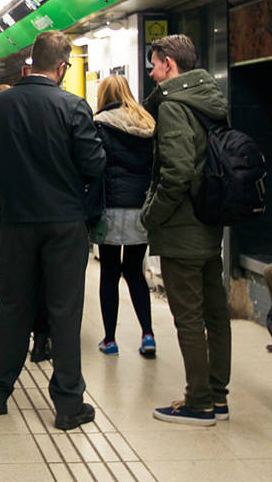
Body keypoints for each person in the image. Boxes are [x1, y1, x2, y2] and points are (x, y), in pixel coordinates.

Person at [0, 30, 106, 431]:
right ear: (63, 66)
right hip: (65, 223)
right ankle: (68, 404)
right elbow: (94, 164)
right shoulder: (73, 105)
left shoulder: (0, 104)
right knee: (64, 311)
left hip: (16, 223)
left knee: (13, 306)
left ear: (31, 61)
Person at [141, 34, 230, 426]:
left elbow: (176, 173)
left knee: (189, 318)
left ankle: (199, 402)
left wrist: (151, 215)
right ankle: (218, 396)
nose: (152, 71)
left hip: (182, 228)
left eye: (155, 64)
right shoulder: (212, 102)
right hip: (210, 224)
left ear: (170, 66)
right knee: (215, 314)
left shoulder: (174, 107)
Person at [92, 74, 156, 358]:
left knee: (109, 272)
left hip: (111, 207)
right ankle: (148, 335)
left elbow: (95, 165)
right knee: (134, 271)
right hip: (140, 208)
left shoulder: (100, 124)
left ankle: (110, 339)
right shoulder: (147, 122)